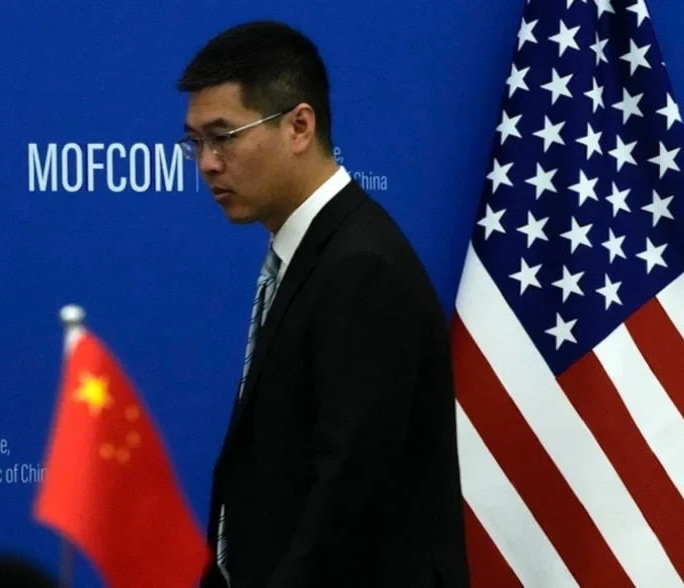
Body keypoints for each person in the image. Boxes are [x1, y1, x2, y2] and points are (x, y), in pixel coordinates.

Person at [177, 20, 470, 588]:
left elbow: (347, 499)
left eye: (224, 136)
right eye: (196, 142)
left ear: (299, 126)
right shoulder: (312, 254)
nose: (208, 163)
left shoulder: (360, 269)